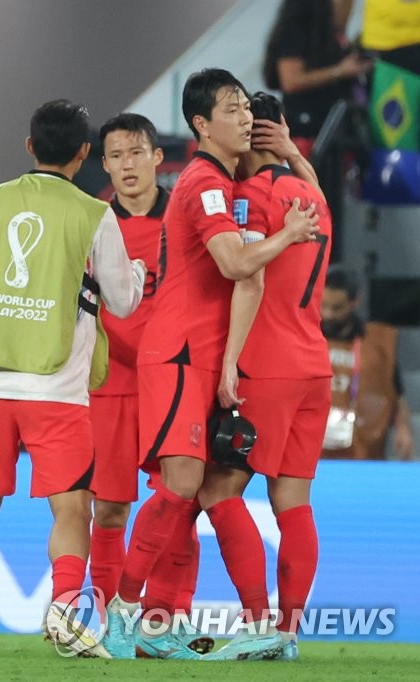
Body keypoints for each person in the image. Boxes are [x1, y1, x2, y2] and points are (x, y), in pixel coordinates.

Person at [102, 68, 319, 662]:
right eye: (232, 109)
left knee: (191, 490)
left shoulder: (220, 180)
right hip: (177, 353)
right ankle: (121, 614)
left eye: (248, 107)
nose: (245, 117)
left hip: (202, 356)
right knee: (180, 487)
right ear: (200, 124)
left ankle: (159, 618)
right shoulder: (204, 182)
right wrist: (289, 233)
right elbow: (233, 263)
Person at [0, 99, 145, 659]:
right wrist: (139, 277)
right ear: (85, 154)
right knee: (73, 506)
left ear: (29, 147)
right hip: (59, 392)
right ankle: (63, 613)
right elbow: (124, 303)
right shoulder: (94, 214)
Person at [210, 91, 334, 661]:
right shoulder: (313, 196)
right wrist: (293, 154)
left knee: (218, 490)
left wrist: (230, 359)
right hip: (315, 367)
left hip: (269, 366)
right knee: (294, 504)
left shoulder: (250, 198)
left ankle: (258, 623)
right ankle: (286, 633)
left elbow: (247, 276)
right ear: (281, 133)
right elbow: (304, 185)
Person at [89, 112, 212, 654]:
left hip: (174, 378)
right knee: (111, 508)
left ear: (158, 157)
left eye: (136, 152)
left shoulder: (185, 217)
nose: (126, 165)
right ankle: (107, 621)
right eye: (115, 155)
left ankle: (165, 621)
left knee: (178, 501)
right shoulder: (92, 221)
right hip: (111, 382)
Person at [321, 265, 415, 459]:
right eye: (323, 305)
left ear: (355, 301)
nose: (328, 314)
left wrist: (403, 428)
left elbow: (396, 393)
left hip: (361, 450)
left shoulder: (378, 342)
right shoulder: (305, 335)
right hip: (311, 445)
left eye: (337, 308)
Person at [263, 0, 371, 157]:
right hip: (309, 133)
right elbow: (291, 81)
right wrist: (340, 71)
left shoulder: (331, 32)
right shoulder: (294, 30)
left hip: (339, 128)